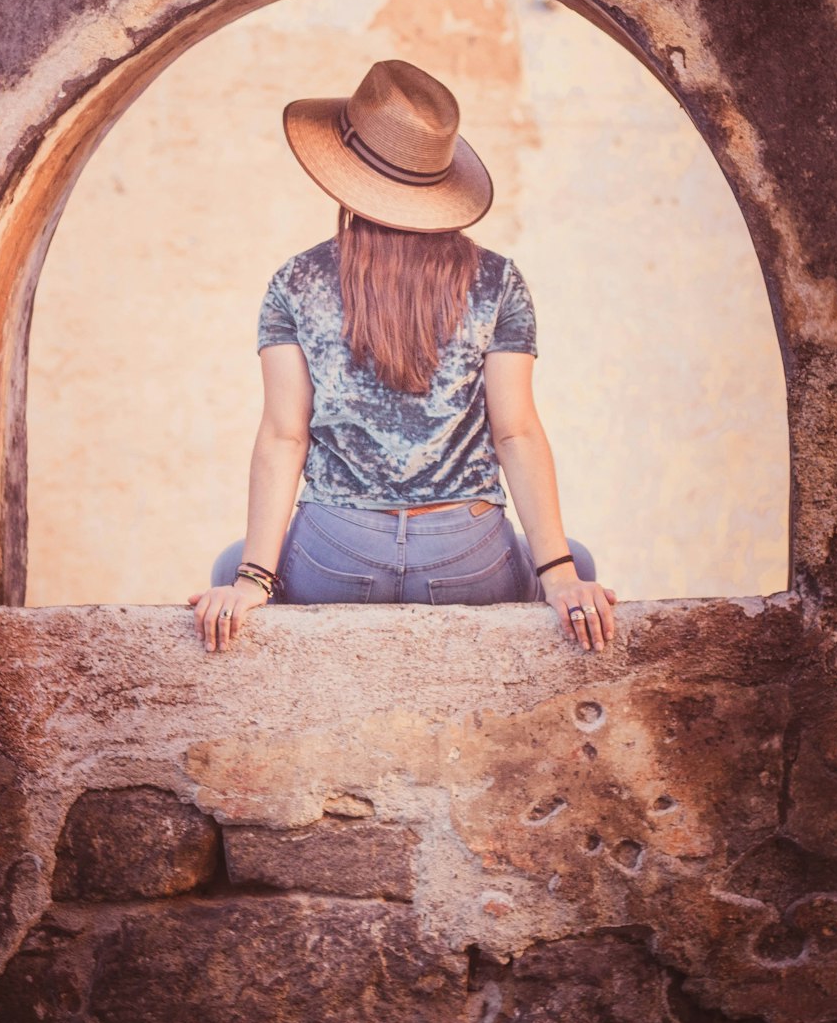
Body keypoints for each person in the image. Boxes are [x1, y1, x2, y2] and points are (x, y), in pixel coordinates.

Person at [189, 59, 617, 655]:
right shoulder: (498, 281)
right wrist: (562, 575)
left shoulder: (294, 282)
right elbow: (515, 432)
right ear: (438, 181)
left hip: (336, 552)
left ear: (342, 171)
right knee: (580, 562)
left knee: (228, 566)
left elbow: (285, 436)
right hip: (468, 555)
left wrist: (252, 581)